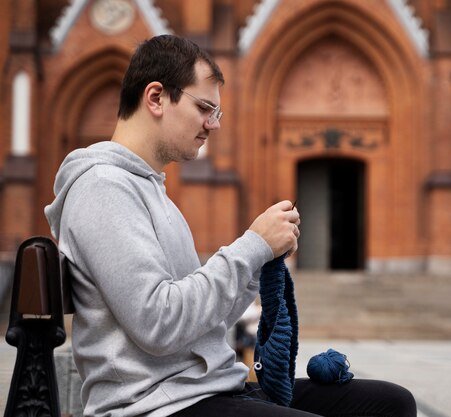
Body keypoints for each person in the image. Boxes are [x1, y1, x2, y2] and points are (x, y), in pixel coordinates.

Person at [45, 34, 416, 417]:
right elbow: (158, 324)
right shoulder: (102, 187)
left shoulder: (151, 189)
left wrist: (260, 264)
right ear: (155, 97)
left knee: (390, 403)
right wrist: (252, 244)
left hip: (207, 389)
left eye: (217, 113)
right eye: (205, 107)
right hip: (152, 405)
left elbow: (203, 324)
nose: (213, 125)